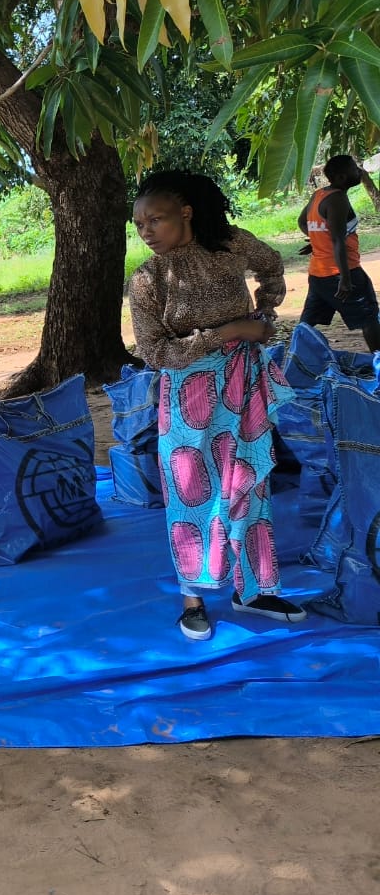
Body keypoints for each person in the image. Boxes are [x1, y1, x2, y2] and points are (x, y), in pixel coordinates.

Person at [129, 170, 307, 641]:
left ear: (186, 212)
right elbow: (156, 352)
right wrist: (229, 331)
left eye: (156, 220)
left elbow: (271, 264)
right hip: (189, 397)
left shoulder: (230, 245)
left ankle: (254, 589)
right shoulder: (147, 280)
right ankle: (193, 599)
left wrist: (264, 312)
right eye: (139, 225)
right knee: (191, 489)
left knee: (250, 480)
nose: (147, 232)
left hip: (241, 384)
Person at [298, 154, 380, 351]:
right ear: (342, 177)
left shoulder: (320, 194)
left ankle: (295, 360)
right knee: (368, 316)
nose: (360, 172)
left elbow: (303, 221)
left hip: (318, 274)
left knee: (307, 322)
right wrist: (345, 278)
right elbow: (337, 241)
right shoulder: (338, 199)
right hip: (342, 271)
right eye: (355, 169)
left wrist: (318, 240)